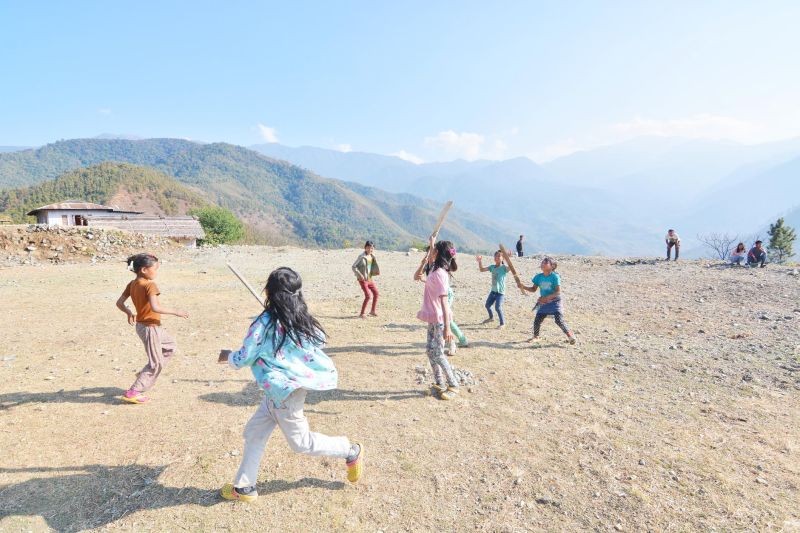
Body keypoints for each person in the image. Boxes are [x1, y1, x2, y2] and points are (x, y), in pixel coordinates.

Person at [218, 267, 364, 502]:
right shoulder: (299, 316)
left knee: (301, 443)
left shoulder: (265, 323)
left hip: (286, 394)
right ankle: (244, 487)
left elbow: (245, 356)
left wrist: (228, 356)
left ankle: (349, 450)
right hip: (274, 392)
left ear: (269, 292)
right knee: (254, 433)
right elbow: (319, 340)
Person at [115, 253, 188, 404]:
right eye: (155, 268)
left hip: (146, 327)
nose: (156, 272)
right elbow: (156, 307)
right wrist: (177, 312)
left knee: (170, 347)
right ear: (143, 269)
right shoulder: (149, 285)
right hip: (150, 328)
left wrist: (129, 312)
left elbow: (119, 302)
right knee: (156, 364)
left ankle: (145, 374)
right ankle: (133, 392)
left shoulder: (133, 284)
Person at [414, 236, 460, 400]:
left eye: (434, 250)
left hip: (440, 321)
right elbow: (432, 256)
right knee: (429, 350)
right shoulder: (434, 267)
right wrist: (432, 242)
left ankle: (453, 384)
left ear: (438, 253)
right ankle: (439, 382)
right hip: (433, 319)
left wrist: (448, 328)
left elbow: (445, 304)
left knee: (438, 353)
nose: (431, 251)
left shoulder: (440, 274)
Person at [516, 257, 576, 344]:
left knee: (559, 320)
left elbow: (558, 292)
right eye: (542, 262)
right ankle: (536, 336)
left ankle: (570, 336)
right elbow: (533, 289)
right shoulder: (538, 277)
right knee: (537, 319)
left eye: (545, 262)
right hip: (543, 302)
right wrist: (523, 286)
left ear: (552, 266)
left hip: (555, 301)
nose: (542, 264)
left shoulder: (555, 277)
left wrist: (547, 298)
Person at [477, 251, 509, 329]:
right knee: (487, 305)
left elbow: (510, 268)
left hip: (500, 292)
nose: (497, 258)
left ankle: (502, 324)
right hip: (493, 291)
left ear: (502, 258)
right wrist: (480, 261)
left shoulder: (504, 268)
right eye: (495, 256)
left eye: (499, 256)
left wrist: (508, 258)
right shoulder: (492, 267)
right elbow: (481, 269)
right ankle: (491, 318)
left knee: (497, 307)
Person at [352, 240, 380, 318]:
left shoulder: (372, 256)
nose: (370, 249)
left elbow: (372, 266)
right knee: (368, 296)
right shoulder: (361, 256)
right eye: (368, 248)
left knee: (376, 293)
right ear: (365, 248)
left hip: (369, 279)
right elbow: (353, 266)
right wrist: (360, 275)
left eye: (371, 248)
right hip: (363, 280)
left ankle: (372, 311)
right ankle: (362, 313)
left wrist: (375, 272)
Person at [446, 286, 468, 355]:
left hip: (445, 293)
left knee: (447, 321)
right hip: (443, 291)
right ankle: (462, 340)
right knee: (447, 321)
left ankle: (454, 344)